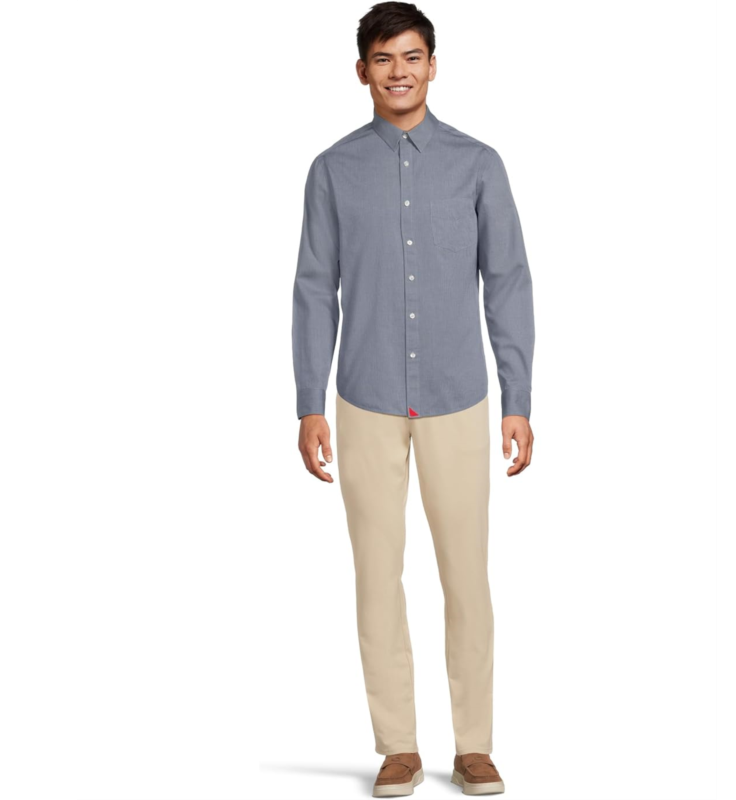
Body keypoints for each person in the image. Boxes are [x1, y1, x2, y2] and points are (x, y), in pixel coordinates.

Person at [291, 2, 535, 795]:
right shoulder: (332, 170)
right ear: (361, 70)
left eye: (412, 56)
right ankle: (397, 745)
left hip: (459, 398)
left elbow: (507, 282)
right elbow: (313, 289)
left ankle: (474, 746)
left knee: (466, 577)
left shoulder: (478, 164)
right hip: (364, 400)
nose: (398, 71)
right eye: (383, 57)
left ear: (433, 65)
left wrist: (518, 397)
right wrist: (309, 401)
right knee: (376, 576)